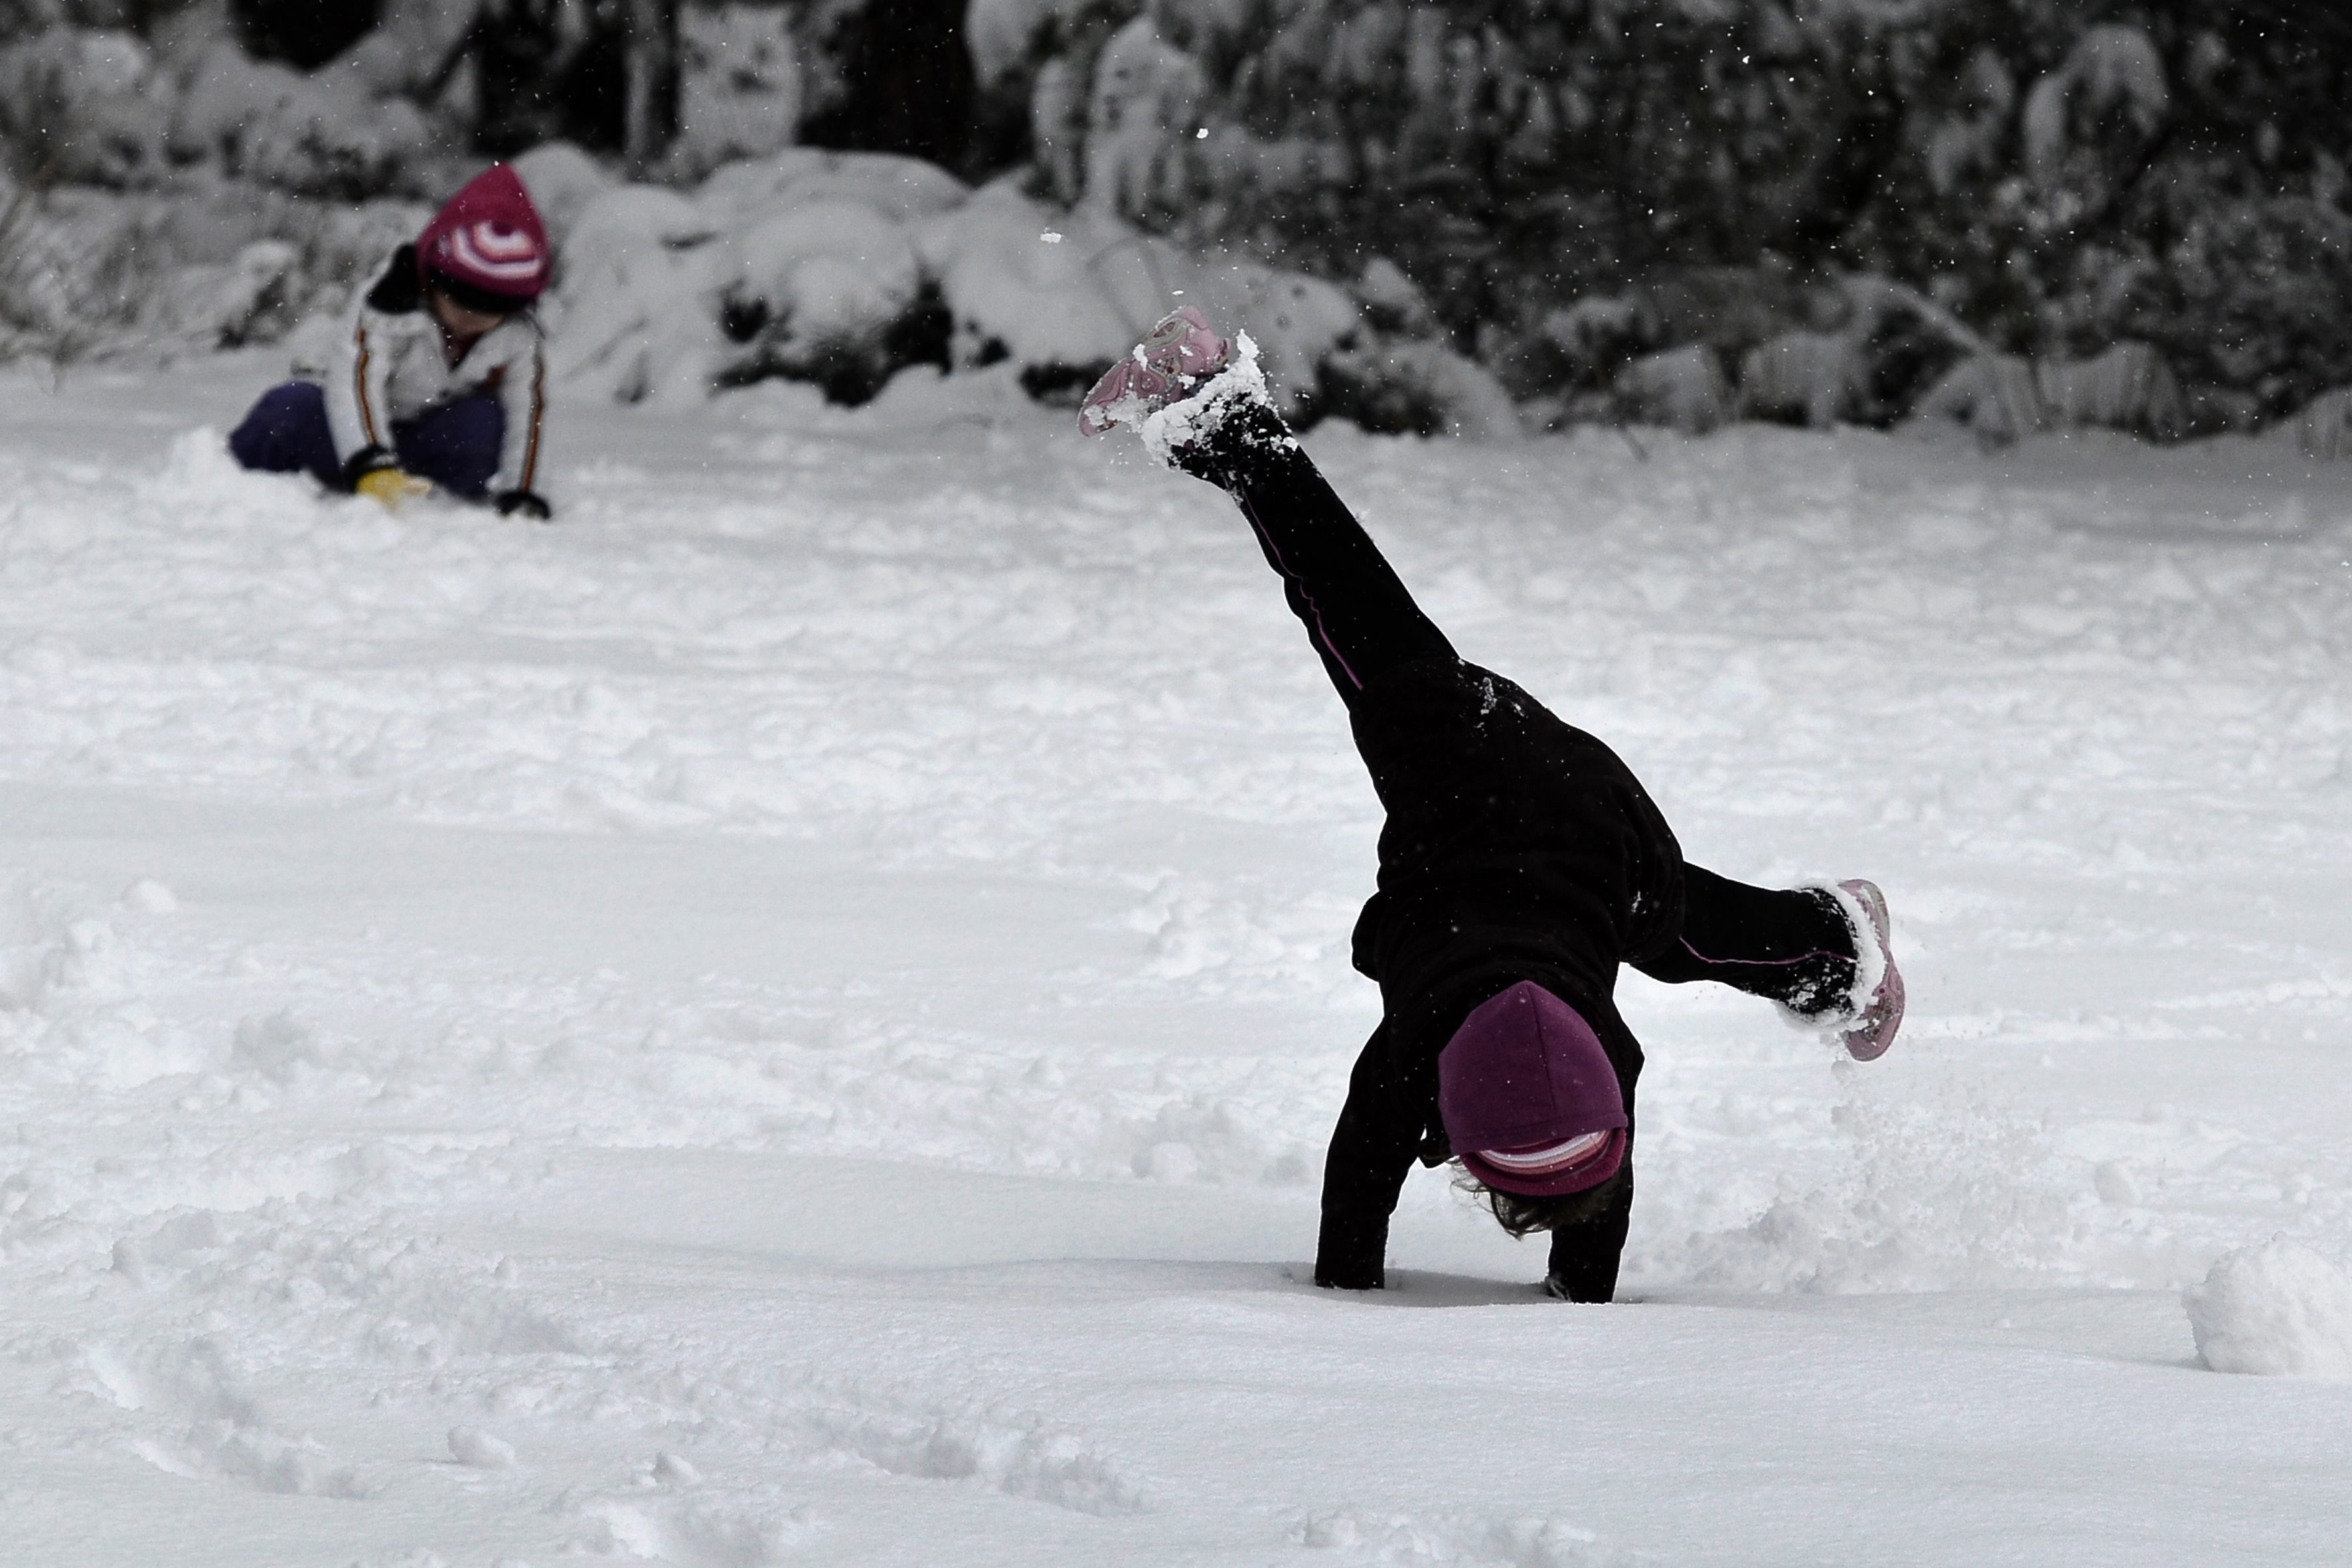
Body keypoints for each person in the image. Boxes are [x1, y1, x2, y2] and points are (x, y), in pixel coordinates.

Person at [1079, 307, 1905, 1303]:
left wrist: (1358, 1287)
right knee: (1667, 927)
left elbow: (1385, 1185)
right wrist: (1545, 1296)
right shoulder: (1459, 1067)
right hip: (1550, 811)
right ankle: (1834, 946)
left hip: (1493, 788)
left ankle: (1219, 414)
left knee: (1354, 609)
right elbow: (1374, 1185)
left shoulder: (1442, 1063)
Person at [228, 163, 556, 520]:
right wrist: (370, 461)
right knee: (287, 409)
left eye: (489, 311)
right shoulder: (389, 302)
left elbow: (527, 408)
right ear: (434, 280)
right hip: (340, 430)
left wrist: (522, 491)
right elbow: (355, 381)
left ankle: (432, 493)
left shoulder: (519, 334)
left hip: (425, 438)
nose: (470, 319)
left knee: (482, 422)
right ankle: (227, 479)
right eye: (460, 303)